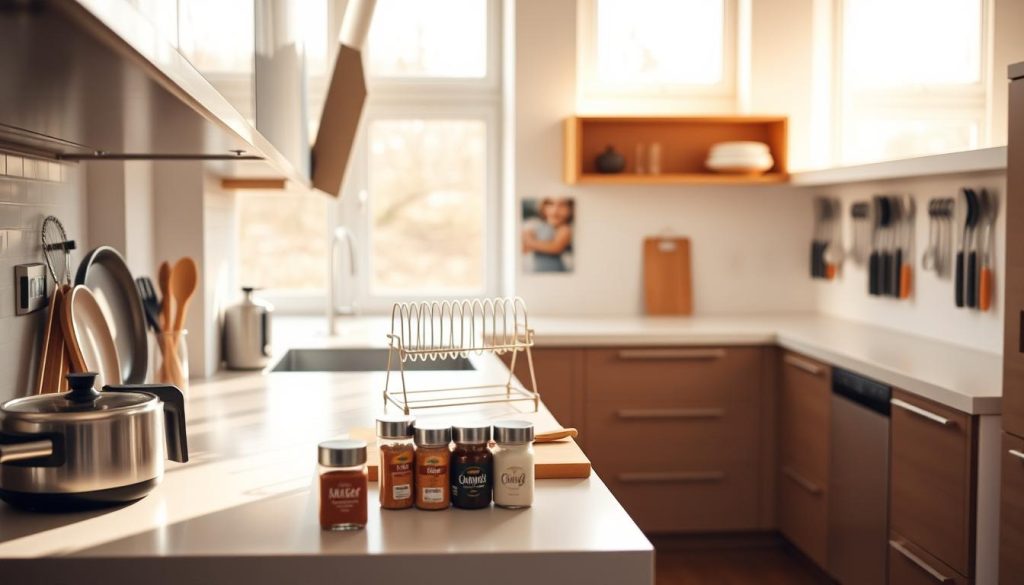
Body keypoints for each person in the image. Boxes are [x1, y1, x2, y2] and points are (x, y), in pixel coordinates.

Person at [522, 197, 573, 272]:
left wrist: (530, 242)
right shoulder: (537, 225)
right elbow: (524, 248)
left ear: (570, 209)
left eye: (562, 205)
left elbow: (556, 247)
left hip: (556, 270)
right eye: (550, 204)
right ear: (543, 208)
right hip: (538, 269)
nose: (556, 209)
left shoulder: (565, 228)